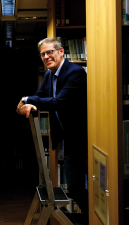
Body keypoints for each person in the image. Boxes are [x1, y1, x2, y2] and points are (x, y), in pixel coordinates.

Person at [16, 37, 88, 217]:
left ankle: (92, 218)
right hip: (68, 136)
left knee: (79, 186)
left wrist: (26, 100)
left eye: (50, 52)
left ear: (61, 52)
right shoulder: (49, 75)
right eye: (43, 54)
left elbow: (58, 102)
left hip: (84, 137)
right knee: (75, 185)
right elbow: (39, 95)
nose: (47, 56)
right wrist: (29, 104)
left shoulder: (75, 72)